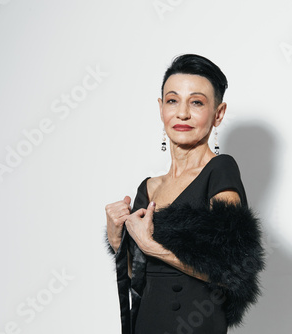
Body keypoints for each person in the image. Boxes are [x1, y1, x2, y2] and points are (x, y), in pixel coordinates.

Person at [105, 54, 264, 334]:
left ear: (219, 113)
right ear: (160, 108)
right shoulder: (149, 187)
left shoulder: (220, 170)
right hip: (146, 322)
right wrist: (117, 238)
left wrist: (153, 246)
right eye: (172, 100)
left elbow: (232, 271)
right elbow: (137, 277)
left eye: (197, 102)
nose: (182, 113)